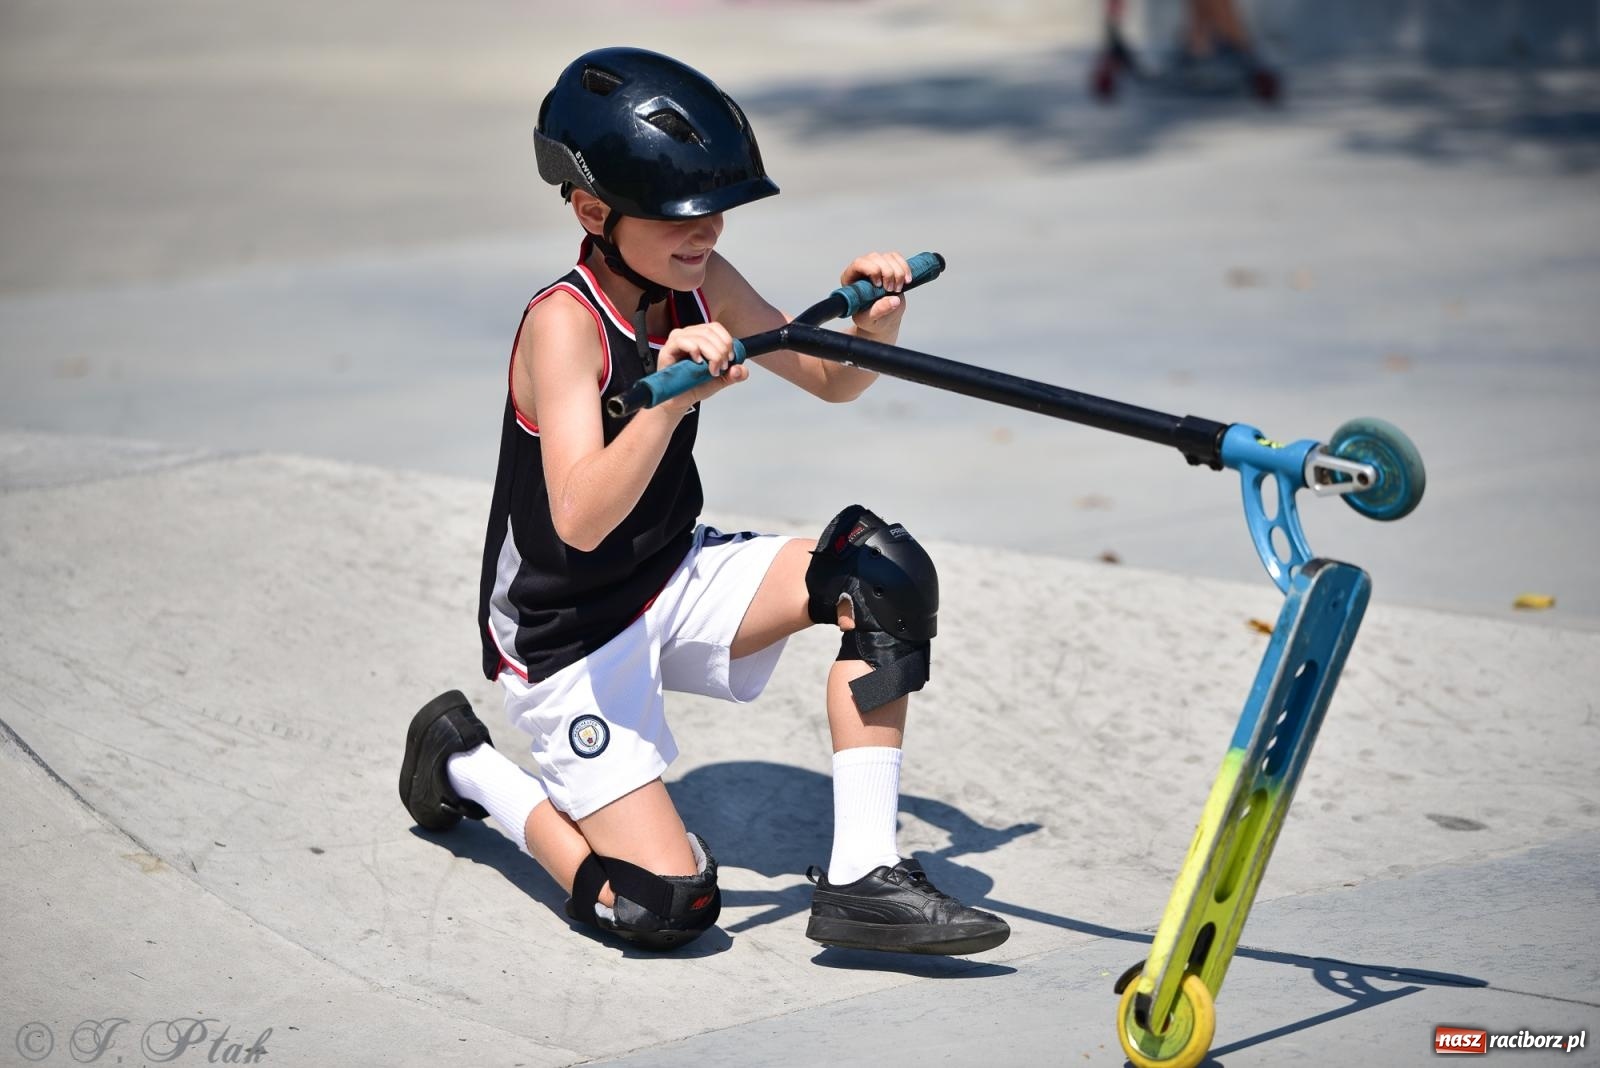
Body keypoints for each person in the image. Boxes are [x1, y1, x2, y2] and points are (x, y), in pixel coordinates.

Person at [398, 46, 1009, 956]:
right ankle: (469, 765)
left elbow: (832, 382)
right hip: (565, 632)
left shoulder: (696, 280)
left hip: (666, 575)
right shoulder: (562, 325)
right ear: (593, 210)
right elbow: (578, 520)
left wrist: (876, 324)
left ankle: (863, 878)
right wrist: (673, 398)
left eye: (715, 211)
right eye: (680, 216)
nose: (708, 234)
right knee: (663, 906)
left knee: (876, 570)